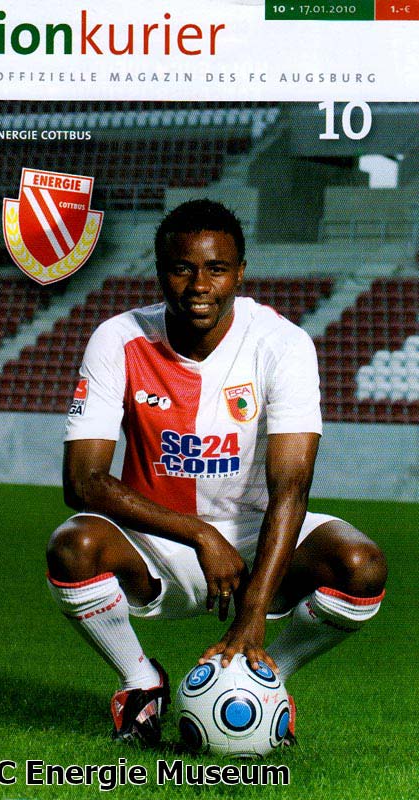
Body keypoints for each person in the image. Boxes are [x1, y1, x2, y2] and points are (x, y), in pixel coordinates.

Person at [46, 199, 387, 747]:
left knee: (361, 565)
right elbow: (82, 482)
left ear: (241, 273)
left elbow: (291, 488)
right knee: (72, 546)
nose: (200, 286)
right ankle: (140, 683)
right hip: (155, 537)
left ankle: (266, 678)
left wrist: (253, 613)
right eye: (182, 269)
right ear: (160, 272)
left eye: (217, 269)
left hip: (255, 534)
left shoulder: (282, 344)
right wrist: (201, 535)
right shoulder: (118, 338)